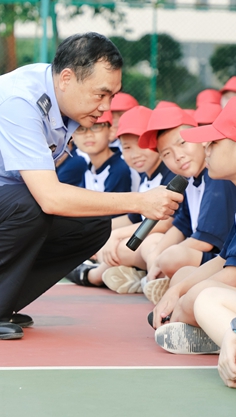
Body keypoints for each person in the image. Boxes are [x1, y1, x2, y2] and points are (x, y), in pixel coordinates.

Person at [0, 33, 182, 340]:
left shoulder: (59, 102)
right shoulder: (20, 101)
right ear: (67, 78)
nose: (106, 108)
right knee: (32, 203)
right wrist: (139, 202)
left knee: (93, 224)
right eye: (100, 95)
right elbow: (50, 198)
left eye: (112, 96)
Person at [151, 99, 236, 354]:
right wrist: (176, 290)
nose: (206, 148)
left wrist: (181, 303)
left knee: (199, 298)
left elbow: (232, 277)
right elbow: (222, 259)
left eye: (214, 142)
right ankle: (215, 331)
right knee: (183, 280)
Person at [137, 105, 236, 304]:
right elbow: (181, 224)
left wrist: (162, 259)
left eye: (182, 143)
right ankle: (158, 278)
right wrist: (156, 256)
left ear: (202, 140)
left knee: (172, 258)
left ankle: (166, 281)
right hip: (202, 257)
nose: (178, 156)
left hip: (225, 260)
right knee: (152, 246)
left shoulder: (217, 176)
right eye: (166, 154)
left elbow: (204, 240)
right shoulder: (189, 180)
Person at [67, 105, 176, 291]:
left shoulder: (169, 174)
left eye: (143, 145)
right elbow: (133, 217)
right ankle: (131, 275)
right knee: (108, 244)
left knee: (144, 243)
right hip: (148, 242)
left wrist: (113, 235)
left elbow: (166, 223)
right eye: (127, 147)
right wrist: (97, 235)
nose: (135, 154)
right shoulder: (145, 175)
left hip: (170, 245)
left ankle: (150, 280)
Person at [72, 110, 131, 194]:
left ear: (111, 132)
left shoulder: (120, 168)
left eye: (96, 127)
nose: (88, 134)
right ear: (73, 136)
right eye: (81, 128)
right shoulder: (89, 168)